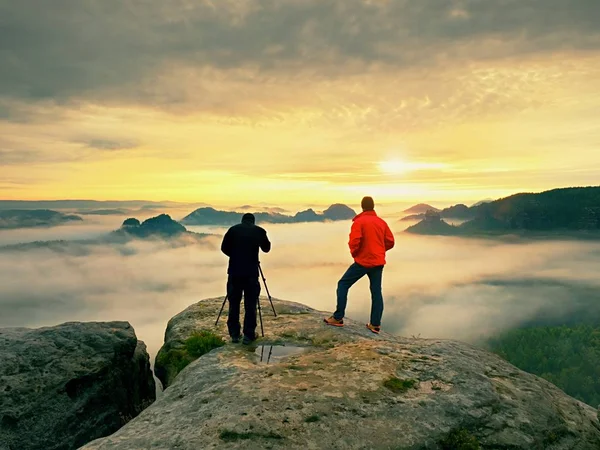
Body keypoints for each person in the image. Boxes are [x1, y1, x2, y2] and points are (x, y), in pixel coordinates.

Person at [324, 196, 395, 334]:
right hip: (378, 262)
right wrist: (379, 251)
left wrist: (356, 254)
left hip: (363, 261)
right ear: (373, 206)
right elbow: (390, 241)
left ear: (362, 207)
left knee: (343, 284)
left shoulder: (359, 222)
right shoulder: (381, 222)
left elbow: (355, 241)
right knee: (376, 292)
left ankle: (338, 318)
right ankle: (375, 324)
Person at [221, 213, 271, 344]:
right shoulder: (259, 231)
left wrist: (236, 255)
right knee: (250, 304)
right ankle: (248, 335)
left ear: (242, 220)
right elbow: (266, 249)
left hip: (234, 272)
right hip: (251, 273)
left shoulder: (233, 230)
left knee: (234, 303)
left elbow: (223, 248)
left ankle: (234, 334)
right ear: (253, 221)